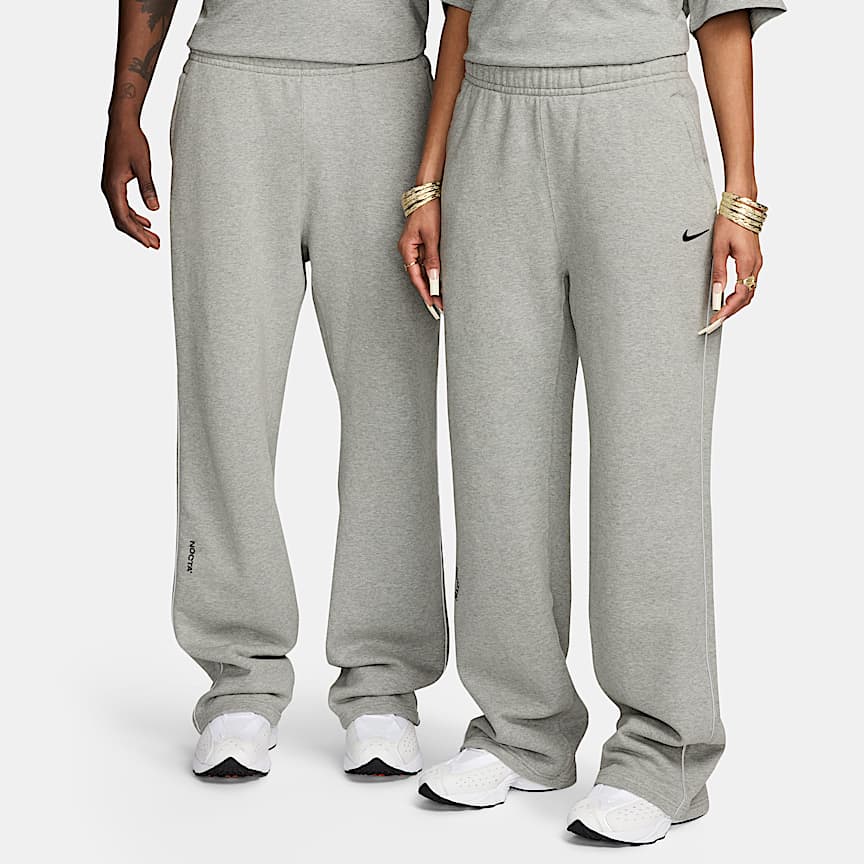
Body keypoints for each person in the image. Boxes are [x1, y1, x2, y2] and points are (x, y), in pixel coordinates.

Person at [399, 0, 784, 845]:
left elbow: (721, 18)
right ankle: (520, 728)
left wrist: (741, 192)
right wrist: (427, 182)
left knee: (650, 457)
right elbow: (459, 18)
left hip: (637, 123)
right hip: (491, 129)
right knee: (496, 450)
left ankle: (661, 754)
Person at [102, 0, 448, 780]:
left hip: (386, 92)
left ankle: (384, 679)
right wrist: (126, 109)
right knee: (225, 394)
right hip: (232, 89)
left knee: (392, 404)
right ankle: (239, 678)